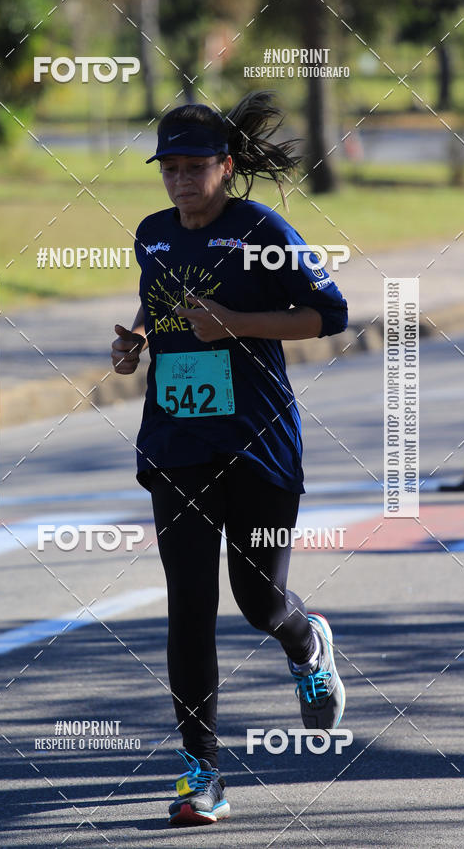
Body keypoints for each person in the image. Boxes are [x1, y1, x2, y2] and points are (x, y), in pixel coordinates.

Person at [111, 91, 348, 827]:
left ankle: (307, 642)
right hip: (177, 440)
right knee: (189, 605)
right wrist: (137, 343)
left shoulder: (262, 230)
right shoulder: (151, 235)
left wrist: (238, 326)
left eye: (194, 166)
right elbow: (163, 301)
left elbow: (330, 313)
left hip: (258, 441)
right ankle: (200, 771)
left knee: (256, 602)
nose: (180, 179)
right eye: (169, 167)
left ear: (226, 165)